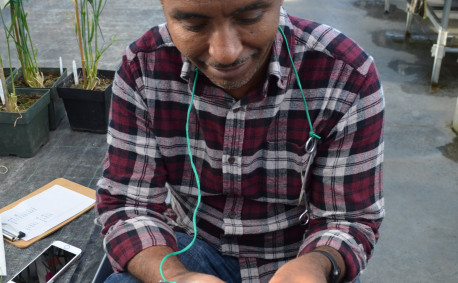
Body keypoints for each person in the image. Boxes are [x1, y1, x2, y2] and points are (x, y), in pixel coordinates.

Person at [95, 0, 385, 282]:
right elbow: (128, 205)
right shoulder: (144, 67)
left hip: (299, 256)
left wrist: (320, 264)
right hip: (192, 246)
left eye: (250, 18)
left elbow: (348, 219)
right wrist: (176, 276)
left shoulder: (345, 75)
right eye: (194, 24)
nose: (226, 53)